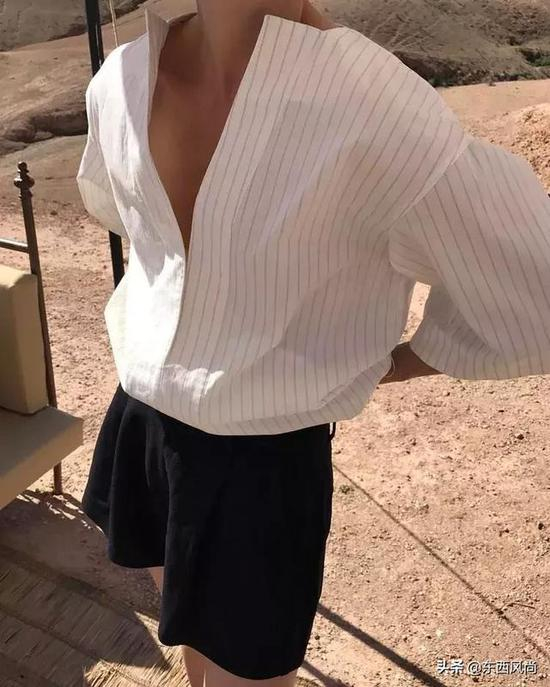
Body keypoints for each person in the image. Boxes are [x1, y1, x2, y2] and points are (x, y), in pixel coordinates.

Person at [76, 0, 550, 685]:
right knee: (192, 646)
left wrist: (389, 362)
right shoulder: (122, 79)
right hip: (147, 424)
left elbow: (536, 291)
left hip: (255, 472)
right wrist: (385, 361)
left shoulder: (377, 110)